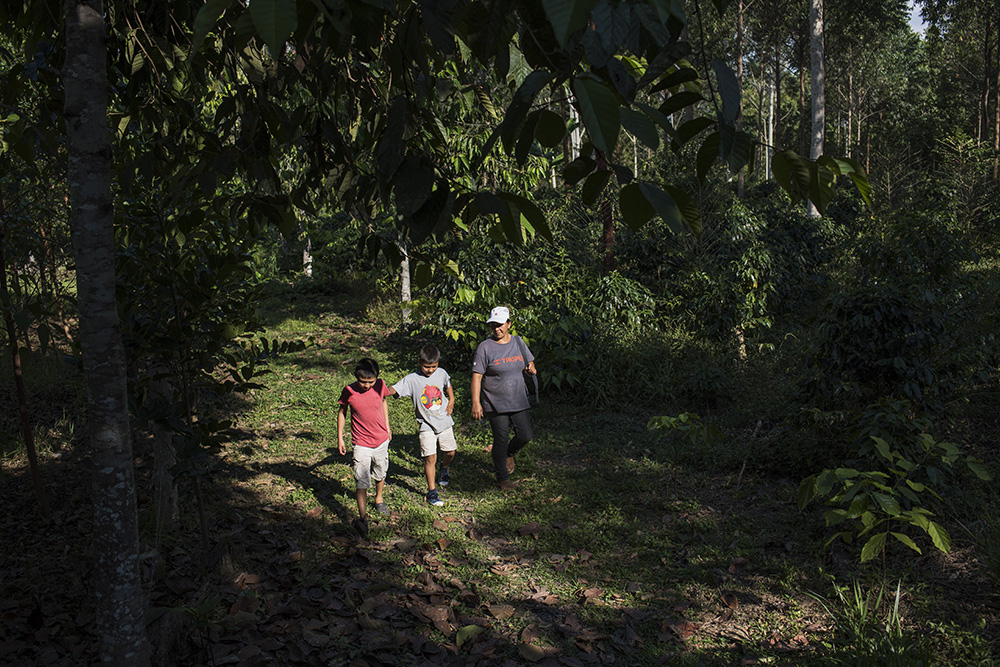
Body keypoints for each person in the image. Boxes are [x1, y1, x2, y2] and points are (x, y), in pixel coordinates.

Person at [471, 306, 537, 491]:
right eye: (492, 325)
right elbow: (477, 377)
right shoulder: (484, 347)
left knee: (525, 435)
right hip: (495, 401)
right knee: (500, 438)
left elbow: (529, 363)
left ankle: (509, 452)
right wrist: (476, 403)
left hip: (518, 399)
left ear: (508, 324)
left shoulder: (518, 342)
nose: (496, 329)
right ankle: (502, 478)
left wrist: (531, 369)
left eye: (499, 325)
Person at [389, 345, 456, 507]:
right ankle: (432, 491)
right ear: (419, 362)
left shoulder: (441, 373)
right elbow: (394, 389)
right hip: (426, 425)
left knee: (450, 452)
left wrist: (452, 399)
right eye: (426, 366)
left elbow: (448, 386)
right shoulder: (412, 379)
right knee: (430, 457)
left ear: (438, 363)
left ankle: (444, 467)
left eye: (433, 366)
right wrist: (379, 390)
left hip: (444, 421)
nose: (430, 370)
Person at [337, 357, 393, 537]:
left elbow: (384, 402)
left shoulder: (380, 385)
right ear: (355, 377)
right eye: (363, 382)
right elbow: (342, 412)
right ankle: (363, 517)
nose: (367, 386)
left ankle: (379, 497)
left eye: (371, 381)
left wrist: (388, 426)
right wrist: (340, 437)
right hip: (361, 443)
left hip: (381, 439)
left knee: (381, 470)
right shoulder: (349, 391)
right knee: (361, 479)